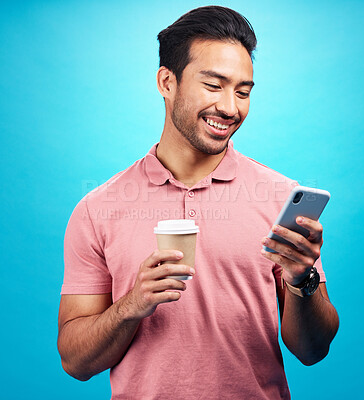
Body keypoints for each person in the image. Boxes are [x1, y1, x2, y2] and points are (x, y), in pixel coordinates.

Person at [58, 5, 339, 399]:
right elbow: (75, 362)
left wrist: (301, 283)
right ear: (166, 82)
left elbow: (313, 351)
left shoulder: (279, 197)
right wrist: (132, 304)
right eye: (214, 85)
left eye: (243, 91)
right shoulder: (96, 209)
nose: (230, 107)